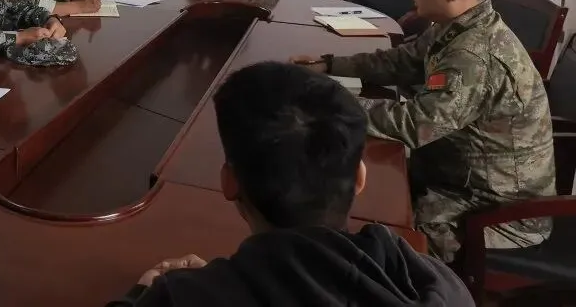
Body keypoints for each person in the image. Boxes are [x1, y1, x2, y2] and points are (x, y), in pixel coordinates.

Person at [106, 62, 474, 307]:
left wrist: (148, 290)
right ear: (360, 178)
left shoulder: (180, 298)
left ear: (228, 182)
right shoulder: (439, 284)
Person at [291, 0, 554, 263]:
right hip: (454, 173)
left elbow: (415, 124)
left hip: (495, 208)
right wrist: (330, 65)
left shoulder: (475, 55)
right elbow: (401, 62)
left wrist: (327, 101)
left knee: (379, 238)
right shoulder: (459, 26)